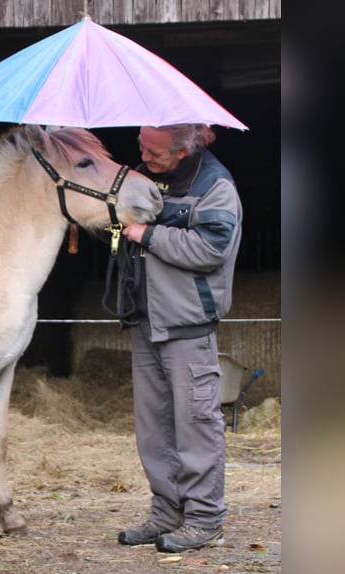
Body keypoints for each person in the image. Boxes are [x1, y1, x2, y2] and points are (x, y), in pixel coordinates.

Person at [114, 124, 242, 553]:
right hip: (146, 319)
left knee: (196, 425)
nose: (145, 157)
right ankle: (167, 514)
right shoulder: (146, 179)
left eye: (155, 151)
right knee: (153, 428)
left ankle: (205, 519)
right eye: (141, 147)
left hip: (186, 322)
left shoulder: (215, 186)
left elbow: (211, 250)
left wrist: (147, 234)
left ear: (187, 148)